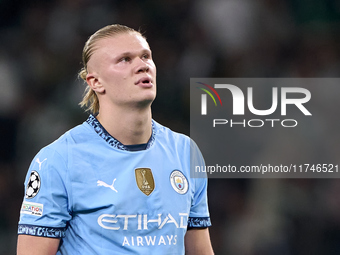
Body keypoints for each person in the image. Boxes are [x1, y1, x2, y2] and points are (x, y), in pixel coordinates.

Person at [17, 24, 214, 255]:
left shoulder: (185, 151)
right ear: (95, 82)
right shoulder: (58, 160)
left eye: (145, 56)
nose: (142, 66)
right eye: (125, 60)